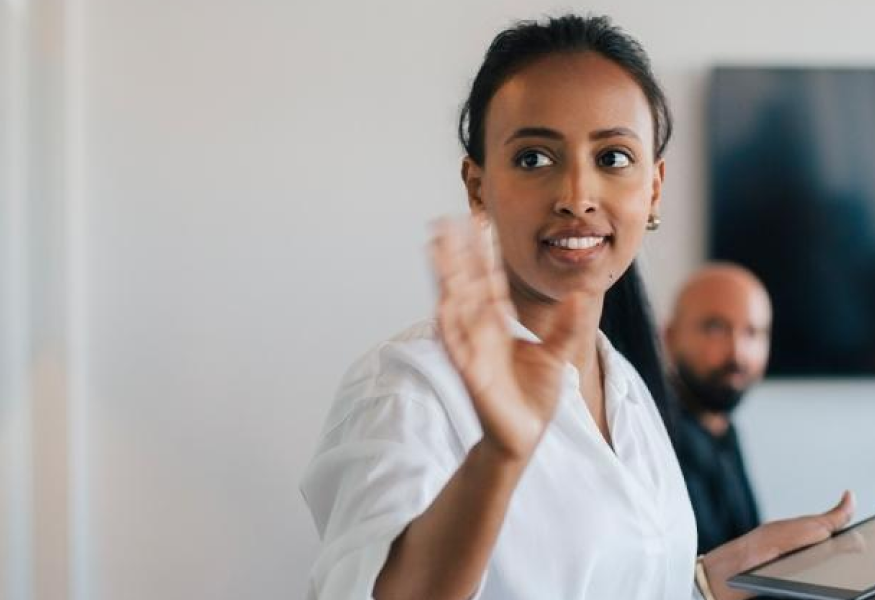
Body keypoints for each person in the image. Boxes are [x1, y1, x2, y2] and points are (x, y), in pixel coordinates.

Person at [300, 14, 852, 600]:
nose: (576, 197)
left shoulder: (628, 385)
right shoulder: (407, 389)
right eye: (535, 158)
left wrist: (711, 580)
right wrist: (498, 458)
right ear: (477, 185)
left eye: (612, 158)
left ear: (654, 188)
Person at [665, 264, 772, 554]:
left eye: (752, 332)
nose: (737, 353)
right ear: (669, 338)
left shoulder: (724, 431)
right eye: (716, 328)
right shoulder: (657, 437)